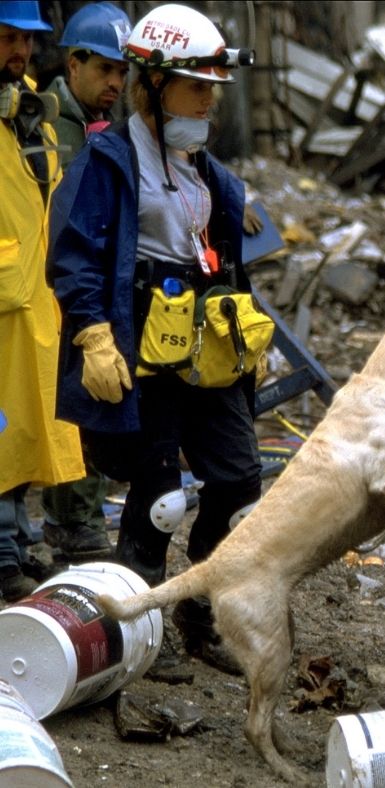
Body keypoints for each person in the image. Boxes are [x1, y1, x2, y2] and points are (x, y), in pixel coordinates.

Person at [48, 3, 264, 671]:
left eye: (211, 89)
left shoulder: (202, 165)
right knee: (161, 498)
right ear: (155, 83)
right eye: (197, 86)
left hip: (208, 347)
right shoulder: (110, 160)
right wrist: (92, 335)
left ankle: (202, 615)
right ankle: (142, 633)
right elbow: (74, 253)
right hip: (144, 346)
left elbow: (227, 255)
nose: (208, 102)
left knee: (238, 484)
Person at [40, 1, 132, 561]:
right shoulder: (43, 122)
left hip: (91, 291)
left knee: (93, 404)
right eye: (104, 69)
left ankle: (77, 520)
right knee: (57, 411)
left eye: (123, 72)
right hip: (44, 292)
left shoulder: (112, 133)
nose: (116, 83)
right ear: (73, 65)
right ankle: (68, 528)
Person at [0, 0, 85, 602]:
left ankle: (16, 541)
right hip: (9, 293)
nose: (21, 52)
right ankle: (3, 550)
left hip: (29, 297)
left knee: (22, 429)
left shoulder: (31, 110)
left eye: (26, 41)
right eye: (8, 38)